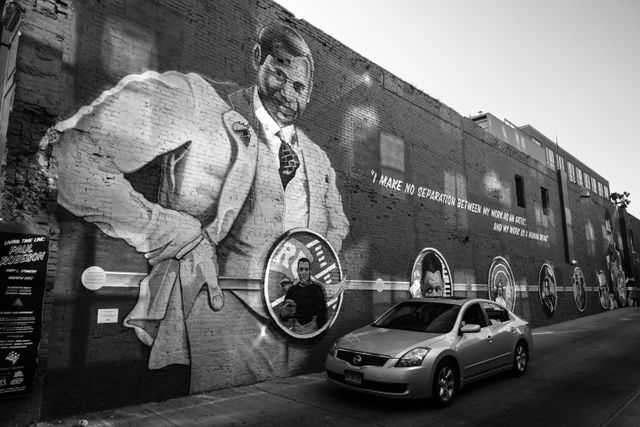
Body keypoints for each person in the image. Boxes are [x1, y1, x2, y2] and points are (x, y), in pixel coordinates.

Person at [50, 23, 349, 392]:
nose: (287, 94)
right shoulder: (198, 100)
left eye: (300, 87)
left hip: (303, 336)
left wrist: (326, 271)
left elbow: (337, 226)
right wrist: (160, 228)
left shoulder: (318, 160)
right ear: (257, 58)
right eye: (278, 74)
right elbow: (69, 155)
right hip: (217, 317)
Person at [279, 258, 327, 334]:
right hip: (297, 329)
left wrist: (319, 332)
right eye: (301, 269)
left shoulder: (317, 289)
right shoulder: (292, 290)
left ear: (310, 271)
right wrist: (284, 313)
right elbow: (283, 317)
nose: (303, 272)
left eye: (306, 269)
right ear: (297, 271)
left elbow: (323, 314)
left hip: (313, 329)